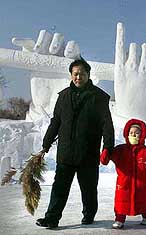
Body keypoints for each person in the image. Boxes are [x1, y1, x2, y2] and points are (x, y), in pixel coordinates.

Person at [35, 58, 115, 228]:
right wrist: (46, 144)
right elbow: (55, 122)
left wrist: (108, 147)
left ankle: (89, 214)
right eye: (75, 74)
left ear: (88, 75)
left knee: (88, 189)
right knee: (59, 188)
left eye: (82, 74)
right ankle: (51, 218)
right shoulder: (63, 96)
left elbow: (106, 124)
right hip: (66, 153)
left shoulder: (99, 97)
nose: (78, 77)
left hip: (88, 153)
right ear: (71, 75)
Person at [100, 118, 146, 229]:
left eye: (136, 133)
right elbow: (106, 159)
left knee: (144, 203)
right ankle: (119, 219)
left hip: (142, 187)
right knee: (121, 204)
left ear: (142, 135)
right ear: (127, 134)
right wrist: (105, 152)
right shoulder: (120, 150)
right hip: (124, 185)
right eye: (131, 133)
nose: (133, 135)